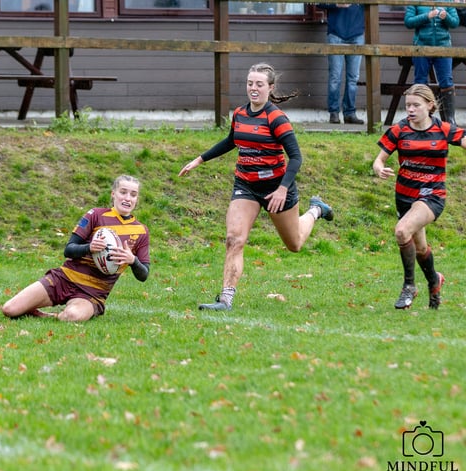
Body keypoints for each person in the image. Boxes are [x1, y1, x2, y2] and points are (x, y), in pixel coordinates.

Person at [178, 62, 334, 312]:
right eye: (250, 83)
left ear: (270, 88)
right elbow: (231, 141)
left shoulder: (276, 118)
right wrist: (199, 160)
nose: (253, 88)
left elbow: (296, 157)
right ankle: (225, 300)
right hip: (246, 185)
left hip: (276, 188)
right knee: (234, 239)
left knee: (294, 244)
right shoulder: (240, 113)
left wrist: (283, 189)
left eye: (259, 84)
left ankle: (316, 210)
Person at [1, 175, 151, 322]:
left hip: (93, 292)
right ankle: (44, 307)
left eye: (133, 194)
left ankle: (51, 316)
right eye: (123, 192)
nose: (127, 198)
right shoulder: (95, 215)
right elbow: (69, 250)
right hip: (64, 278)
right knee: (9, 309)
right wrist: (89, 248)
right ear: (113, 194)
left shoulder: (141, 231)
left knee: (72, 316)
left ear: (136, 199)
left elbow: (143, 275)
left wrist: (133, 260)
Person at [371, 84, 463, 310]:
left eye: (416, 105)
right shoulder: (399, 130)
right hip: (404, 197)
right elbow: (379, 159)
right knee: (420, 248)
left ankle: (409, 286)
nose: (410, 109)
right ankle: (434, 281)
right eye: (408, 105)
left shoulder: (444, 129)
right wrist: (378, 168)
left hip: (432, 195)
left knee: (402, 231)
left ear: (430, 106)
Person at [404, 4, 460, 124]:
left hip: (443, 46)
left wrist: (446, 17)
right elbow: (408, 22)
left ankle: (450, 121)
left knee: (446, 81)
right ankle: (423, 119)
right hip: (421, 46)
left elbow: (455, 22)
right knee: (420, 81)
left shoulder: (447, 1)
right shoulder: (416, 1)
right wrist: (427, 16)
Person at [317, 3, 365, 125]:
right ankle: (334, 112)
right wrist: (336, 4)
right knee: (335, 76)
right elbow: (319, 3)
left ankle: (350, 113)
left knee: (353, 78)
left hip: (357, 34)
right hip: (336, 33)